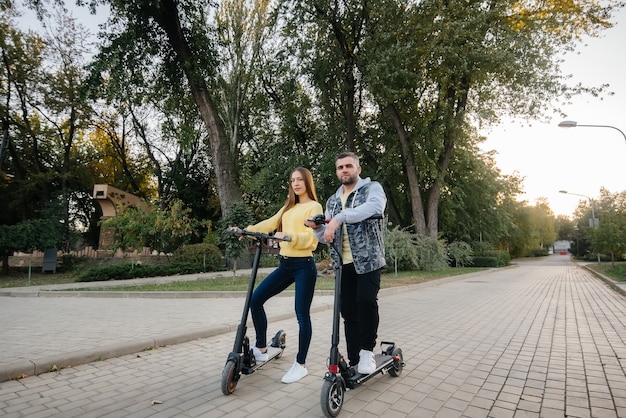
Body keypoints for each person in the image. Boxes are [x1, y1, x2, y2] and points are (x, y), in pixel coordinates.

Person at [231, 167, 323, 384]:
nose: (296, 183)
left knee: (302, 314)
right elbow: (270, 223)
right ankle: (261, 346)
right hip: (286, 265)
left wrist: (289, 236)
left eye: (300, 179)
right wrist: (246, 230)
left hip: (304, 266)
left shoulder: (314, 206)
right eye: (292, 180)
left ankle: (300, 365)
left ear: (307, 182)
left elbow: (312, 239)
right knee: (255, 299)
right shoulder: (288, 207)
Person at [307, 151, 387, 375]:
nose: (345, 170)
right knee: (348, 310)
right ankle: (354, 357)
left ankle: (367, 352)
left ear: (358, 169)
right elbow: (326, 237)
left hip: (368, 260)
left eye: (349, 166)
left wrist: (340, 217)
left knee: (366, 301)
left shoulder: (372, 189)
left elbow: (375, 209)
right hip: (342, 265)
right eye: (340, 167)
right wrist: (317, 229)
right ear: (336, 172)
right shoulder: (332, 201)